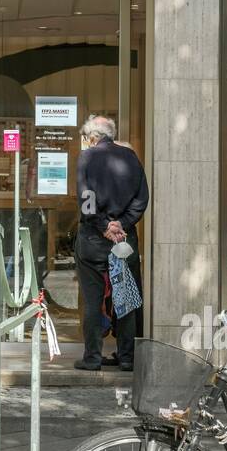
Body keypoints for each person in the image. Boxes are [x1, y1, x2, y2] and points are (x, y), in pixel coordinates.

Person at [74, 115, 148, 371]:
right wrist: (122, 224)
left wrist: (103, 225)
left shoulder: (87, 157)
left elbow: (86, 198)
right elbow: (142, 198)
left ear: (92, 136)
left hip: (94, 238)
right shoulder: (130, 157)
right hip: (124, 239)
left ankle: (93, 357)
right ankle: (126, 357)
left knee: (93, 299)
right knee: (125, 295)